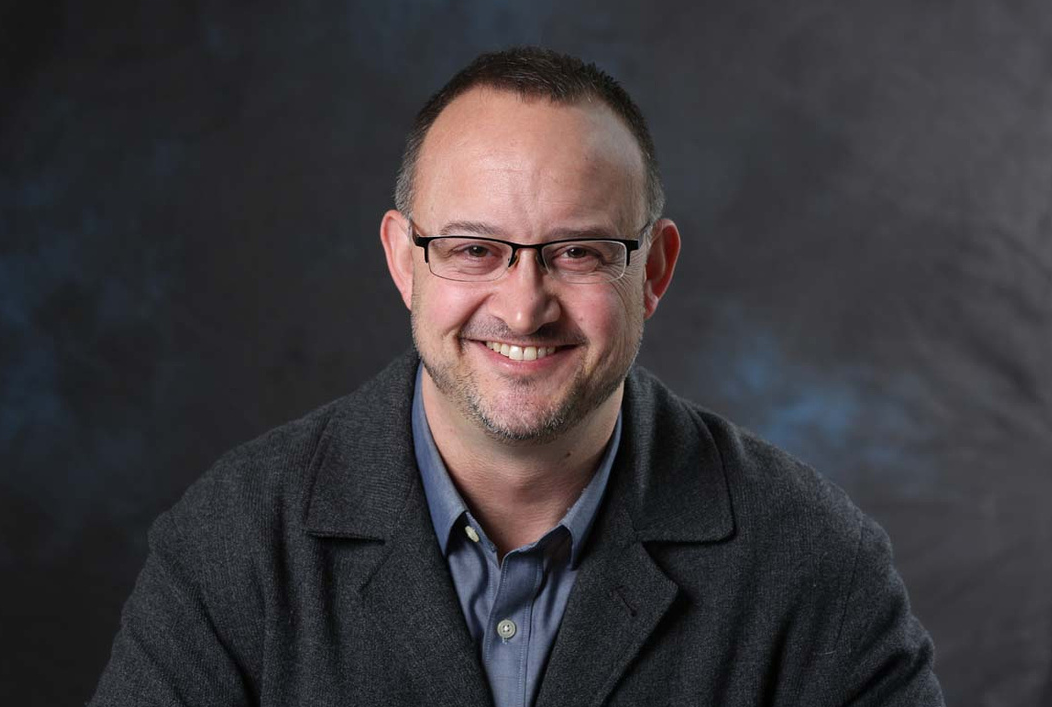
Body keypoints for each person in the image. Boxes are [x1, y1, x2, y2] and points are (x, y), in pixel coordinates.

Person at [91, 47, 944, 706]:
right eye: (472, 249)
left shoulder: (815, 565)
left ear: (654, 271)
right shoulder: (233, 546)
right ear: (403, 262)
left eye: (579, 252)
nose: (525, 305)